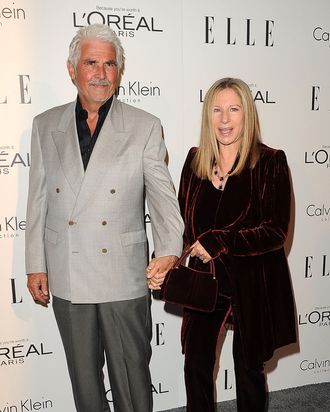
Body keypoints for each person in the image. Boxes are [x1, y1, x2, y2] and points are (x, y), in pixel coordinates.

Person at [25, 24, 184, 412]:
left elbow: (164, 199)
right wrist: (35, 265)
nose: (100, 73)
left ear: (119, 71)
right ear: (71, 69)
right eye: (91, 63)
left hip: (123, 275)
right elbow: (38, 199)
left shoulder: (145, 126)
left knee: (131, 377)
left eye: (109, 64)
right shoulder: (46, 124)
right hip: (68, 271)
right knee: (84, 380)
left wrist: (168, 250)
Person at [177, 77, 296, 412]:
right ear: (207, 115)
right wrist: (169, 259)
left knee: (248, 370)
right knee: (195, 365)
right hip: (206, 282)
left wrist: (220, 241)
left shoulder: (269, 161)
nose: (224, 119)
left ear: (248, 115)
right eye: (217, 110)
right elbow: (183, 222)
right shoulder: (195, 160)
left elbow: (275, 231)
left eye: (233, 109)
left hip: (251, 283)